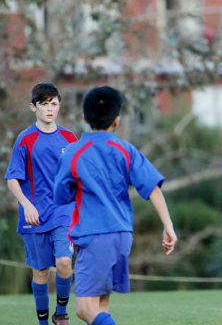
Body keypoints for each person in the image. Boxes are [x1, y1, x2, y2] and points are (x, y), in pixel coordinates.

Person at [52, 86, 177, 325]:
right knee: (100, 306)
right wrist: (168, 225)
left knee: (84, 308)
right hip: (122, 236)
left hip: (94, 235)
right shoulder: (126, 150)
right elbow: (152, 188)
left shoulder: (74, 152)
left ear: (85, 118)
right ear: (117, 121)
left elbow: (60, 195)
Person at [5, 83, 78, 325]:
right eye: (44, 104)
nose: (49, 109)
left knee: (65, 262)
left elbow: (78, 175)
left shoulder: (69, 137)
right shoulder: (25, 140)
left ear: (59, 105)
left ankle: (61, 312)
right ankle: (43, 322)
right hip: (34, 215)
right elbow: (12, 179)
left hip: (63, 212)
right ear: (33, 107)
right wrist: (26, 204)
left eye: (54, 104)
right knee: (41, 272)